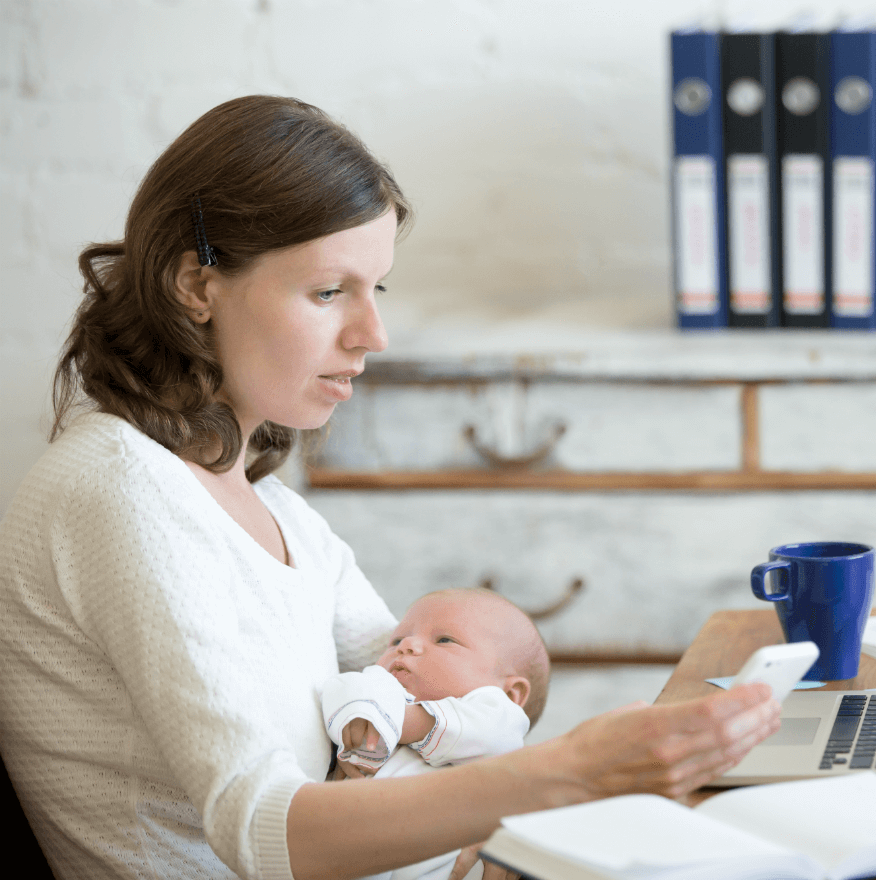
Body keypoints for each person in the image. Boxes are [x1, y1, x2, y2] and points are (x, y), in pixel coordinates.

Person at [0, 95, 780, 880]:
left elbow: (440, 702)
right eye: (328, 292)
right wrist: (571, 771)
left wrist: (635, 751)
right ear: (195, 287)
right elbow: (268, 831)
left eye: (378, 290)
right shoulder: (117, 490)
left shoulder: (284, 521)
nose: (372, 335)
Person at [321, 589, 552, 879]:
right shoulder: (378, 689)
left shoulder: (496, 717)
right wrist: (357, 715)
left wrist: (405, 721)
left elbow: (498, 735)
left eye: (444, 640)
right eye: (395, 640)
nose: (406, 645)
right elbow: (339, 689)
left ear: (510, 694)